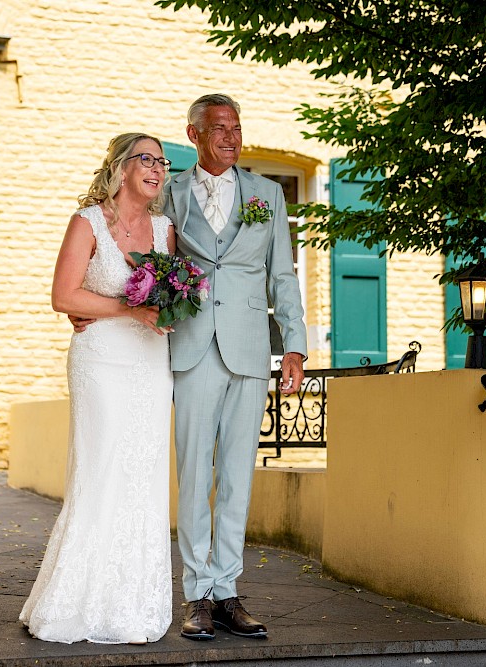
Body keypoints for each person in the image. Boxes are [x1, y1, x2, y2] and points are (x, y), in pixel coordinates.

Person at [20, 132, 176, 645]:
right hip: (101, 359)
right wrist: (130, 310)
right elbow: (64, 296)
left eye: (162, 161)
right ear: (121, 167)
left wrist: (170, 310)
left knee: (144, 473)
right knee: (101, 467)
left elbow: (167, 295)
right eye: (146, 159)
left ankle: (133, 604)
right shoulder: (87, 222)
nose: (156, 168)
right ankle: (74, 600)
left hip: (151, 361)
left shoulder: (164, 229)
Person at [165, 94, 307, 640]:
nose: (230, 137)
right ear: (194, 134)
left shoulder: (268, 194)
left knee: (238, 479)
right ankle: (196, 593)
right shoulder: (172, 194)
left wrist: (293, 345)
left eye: (236, 128)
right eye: (218, 128)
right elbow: (156, 261)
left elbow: (283, 277)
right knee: (194, 472)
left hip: (249, 348)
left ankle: (227, 590)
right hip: (194, 346)